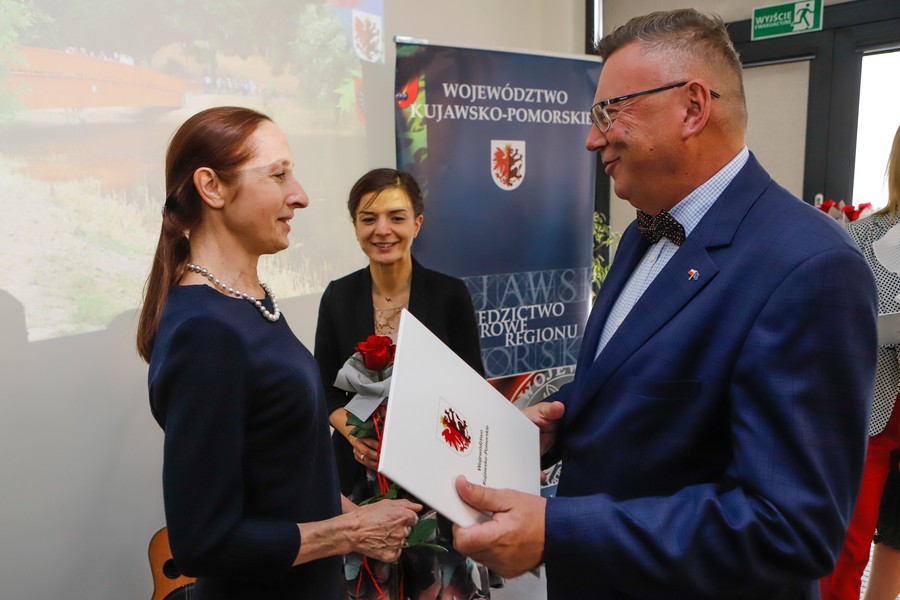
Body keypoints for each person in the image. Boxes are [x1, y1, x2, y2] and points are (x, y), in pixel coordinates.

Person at [450, 9, 879, 599]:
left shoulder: (810, 269)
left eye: (610, 111)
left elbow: (792, 527)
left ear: (693, 108)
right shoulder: (642, 232)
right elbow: (653, 379)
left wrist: (559, 529)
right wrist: (561, 420)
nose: (592, 136)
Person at [136, 107, 420, 599]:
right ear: (212, 187)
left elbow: (280, 470)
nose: (301, 195)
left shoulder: (249, 299)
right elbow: (203, 542)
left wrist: (361, 518)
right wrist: (351, 533)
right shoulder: (205, 331)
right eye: (279, 174)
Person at [314, 168, 488, 598]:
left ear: (418, 223)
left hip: (437, 482)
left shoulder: (449, 295)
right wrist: (354, 433)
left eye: (396, 216)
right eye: (368, 218)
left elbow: (472, 388)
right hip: (360, 479)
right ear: (355, 226)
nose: (382, 230)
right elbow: (323, 387)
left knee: (438, 585)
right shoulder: (338, 295)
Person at [821, 124, 900, 600]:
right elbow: (835, 317)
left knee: (895, 536)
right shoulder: (861, 235)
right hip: (869, 409)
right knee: (848, 543)